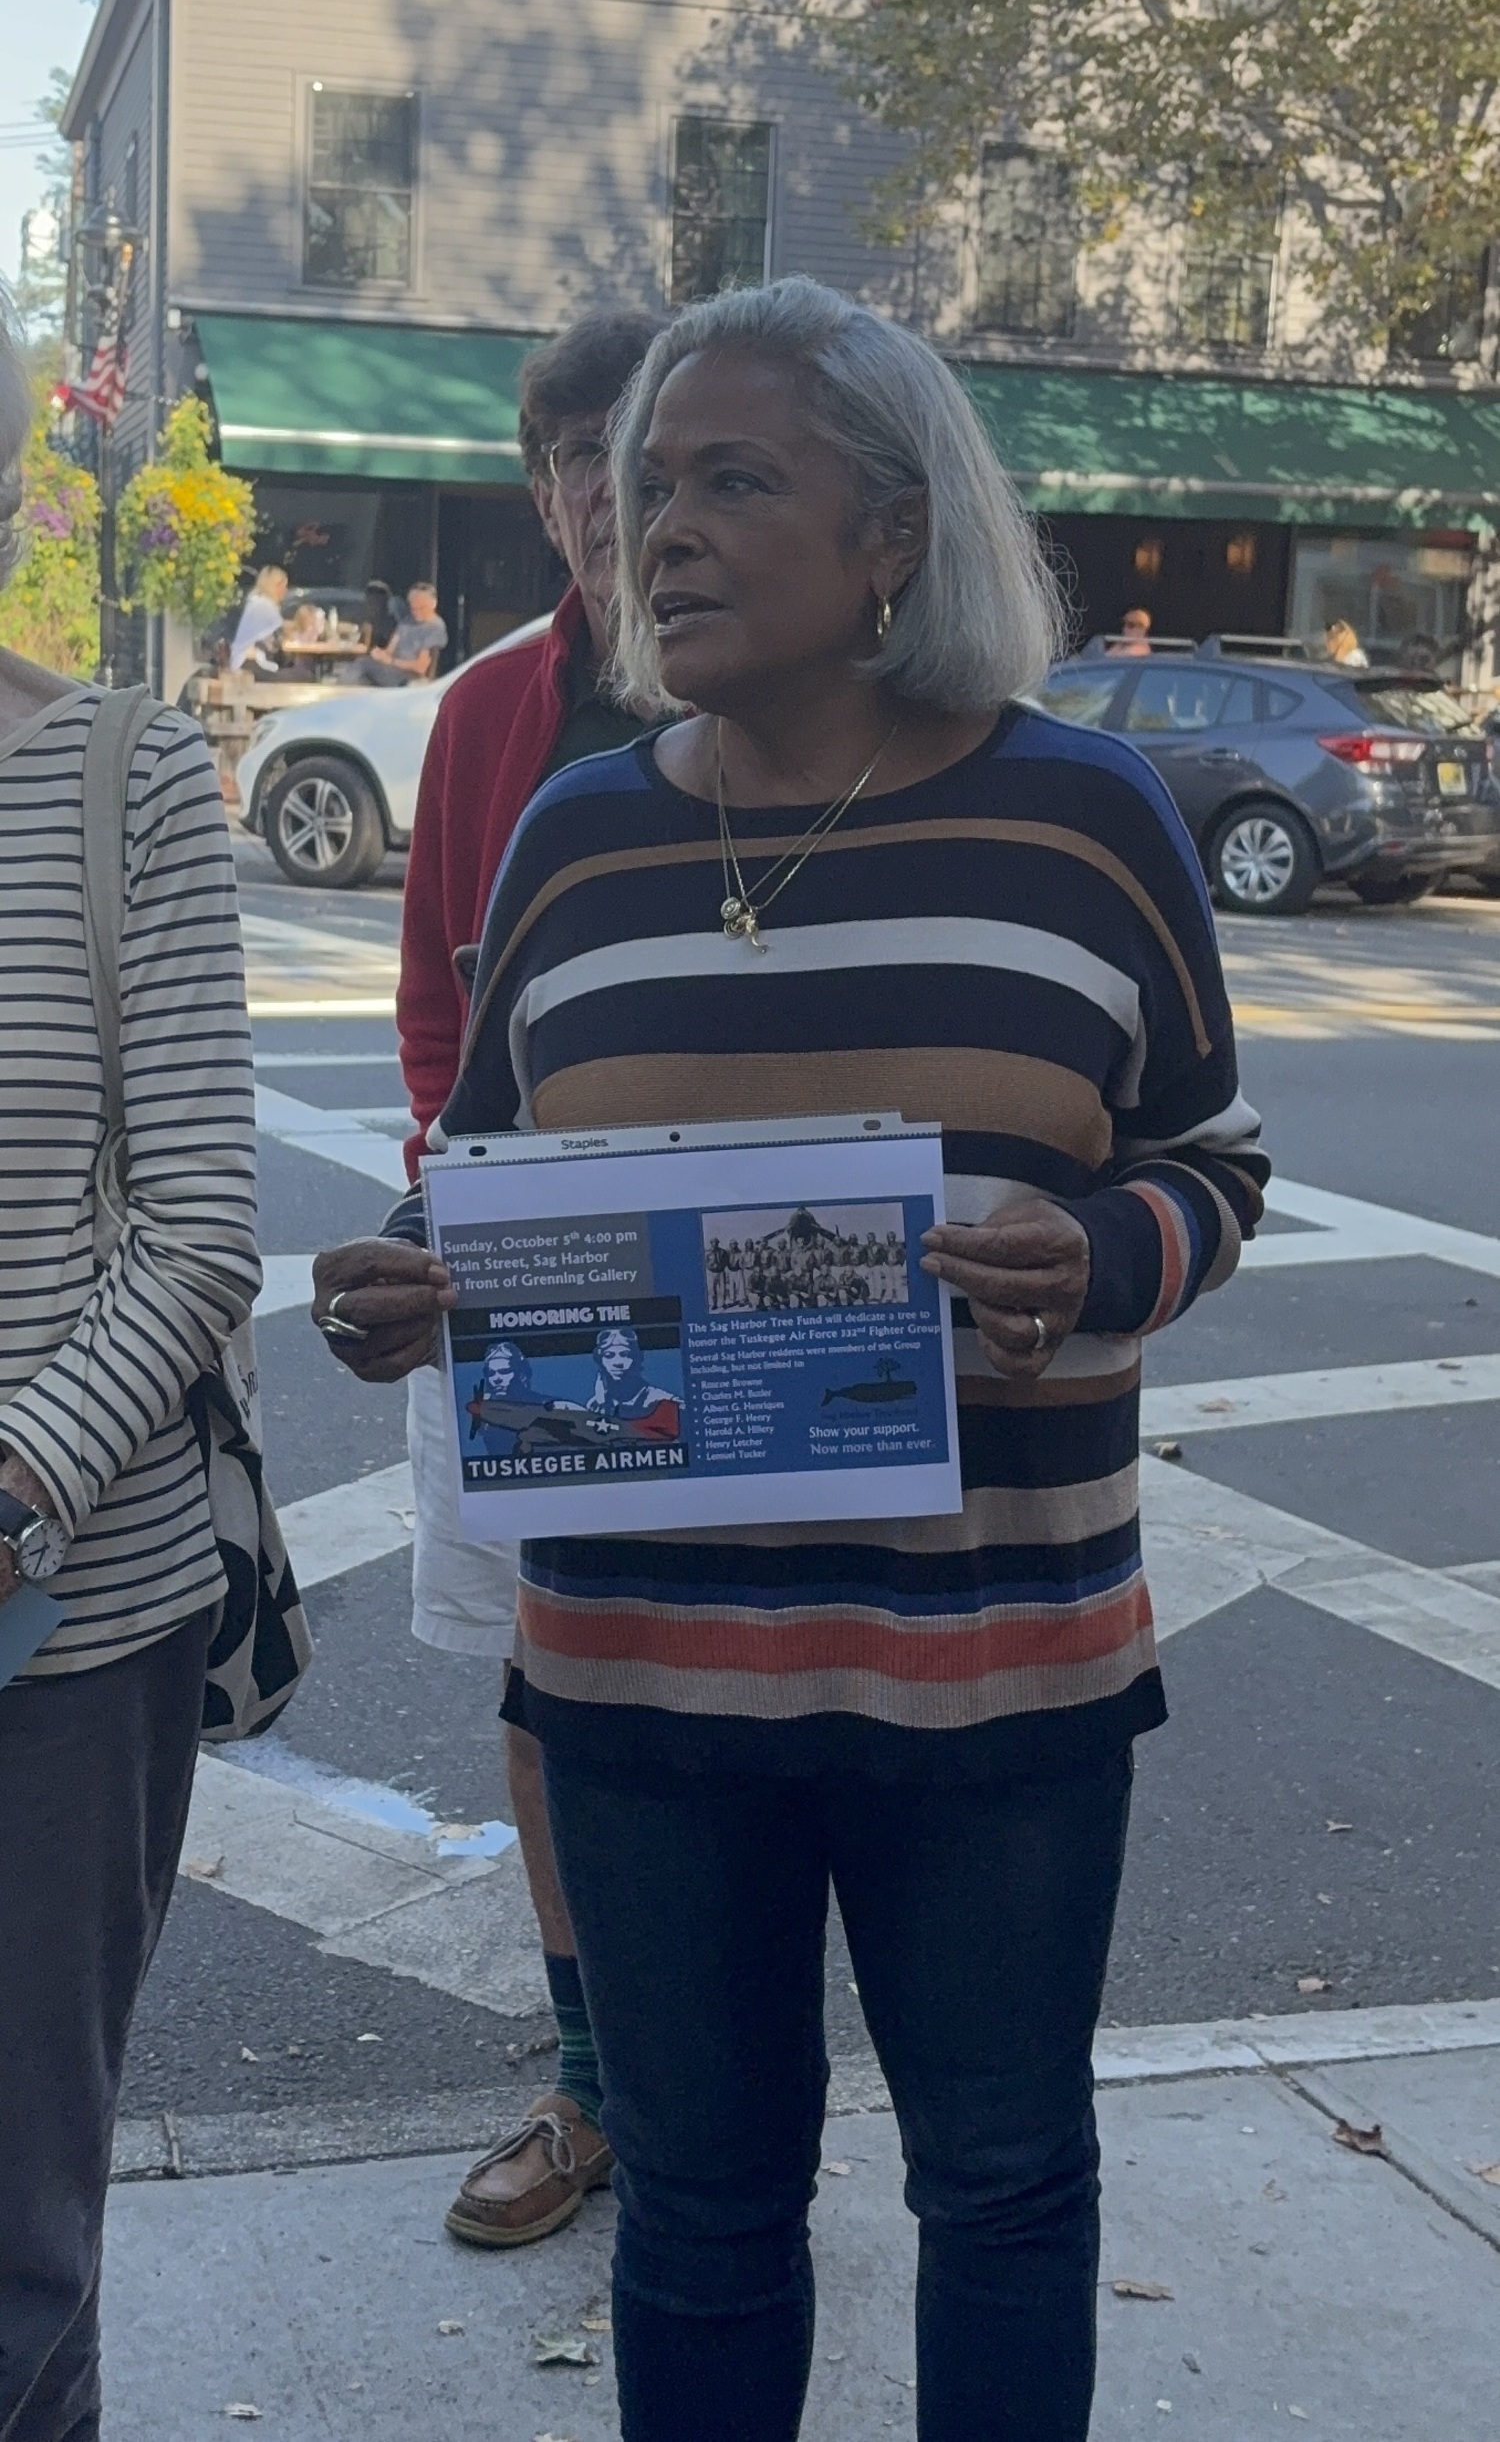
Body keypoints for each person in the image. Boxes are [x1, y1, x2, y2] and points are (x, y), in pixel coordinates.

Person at [311, 277, 1268, 2440]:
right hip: (642, 1686)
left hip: (997, 1669)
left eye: (737, 477)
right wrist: (404, 1277)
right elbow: (481, 1174)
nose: (663, 527)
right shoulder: (576, 839)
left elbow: (1211, 1152)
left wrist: (1102, 1247)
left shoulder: (1089, 817)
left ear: (898, 531)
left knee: (1008, 2180)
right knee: (707, 2210)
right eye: (647, 482)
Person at [0, 307, 262, 2442]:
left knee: (14, 2234)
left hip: (59, 1618)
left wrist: (12, 1473)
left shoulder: (117, 771)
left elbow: (195, 1231)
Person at [389, 310, 667, 2252]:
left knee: (749, 1684)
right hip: (523, 1266)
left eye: (630, 450)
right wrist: (458, 1197)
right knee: (539, 1674)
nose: (594, 492)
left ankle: (712, 2081)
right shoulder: (492, 709)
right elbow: (435, 1005)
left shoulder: (834, 694)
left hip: (747, 1284)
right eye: (563, 455)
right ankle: (591, 2079)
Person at [339, 579, 449, 686]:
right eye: (413, 608)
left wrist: (391, 661)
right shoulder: (407, 621)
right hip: (392, 671)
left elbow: (420, 667)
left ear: (433, 604)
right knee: (361, 664)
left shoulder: (435, 628)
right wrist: (380, 654)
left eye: (421, 608)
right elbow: (390, 649)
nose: (416, 612)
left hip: (410, 677)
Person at [227, 563, 288, 672]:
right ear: (276, 586)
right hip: (251, 662)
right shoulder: (265, 606)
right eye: (284, 586)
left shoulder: (257, 602)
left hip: (250, 661)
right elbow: (282, 629)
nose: (286, 591)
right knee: (306, 676)